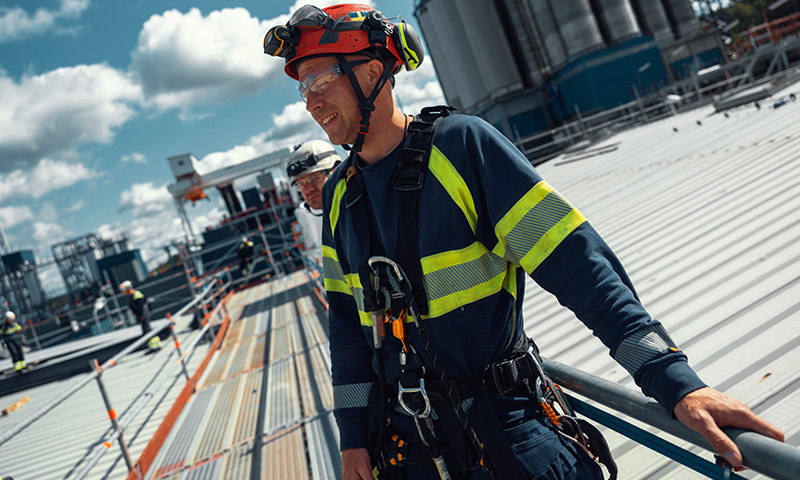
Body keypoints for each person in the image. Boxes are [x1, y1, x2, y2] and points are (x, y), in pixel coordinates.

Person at [264, 5, 785, 480]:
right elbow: (348, 331)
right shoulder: (338, 196)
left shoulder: (463, 148)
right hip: (407, 449)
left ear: (373, 72)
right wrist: (353, 441)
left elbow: (578, 266)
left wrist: (674, 382)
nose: (309, 102)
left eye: (319, 78)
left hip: (508, 436)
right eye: (301, 86)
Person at [286, 140, 342, 258]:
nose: (308, 189)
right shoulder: (330, 230)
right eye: (301, 184)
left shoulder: (369, 210)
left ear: (337, 171)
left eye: (314, 178)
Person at [120, 280, 161, 350]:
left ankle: (154, 347)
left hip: (144, 315)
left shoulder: (137, 295)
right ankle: (153, 346)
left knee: (147, 331)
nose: (123, 292)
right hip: (142, 316)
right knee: (147, 330)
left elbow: (141, 307)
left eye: (124, 290)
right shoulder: (133, 296)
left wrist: (142, 316)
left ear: (128, 289)